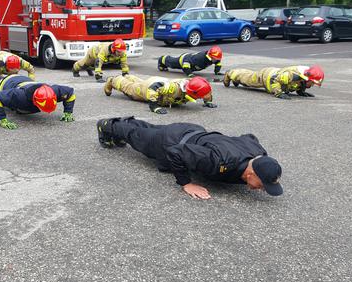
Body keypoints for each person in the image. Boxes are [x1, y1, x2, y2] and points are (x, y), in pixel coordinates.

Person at [95, 117, 283, 199]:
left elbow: (249, 137)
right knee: (135, 136)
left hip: (193, 131)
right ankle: (107, 125)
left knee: (148, 130)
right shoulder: (217, 161)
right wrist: (186, 183)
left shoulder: (258, 153)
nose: (262, 189)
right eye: (263, 184)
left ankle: (126, 121)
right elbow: (176, 152)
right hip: (171, 141)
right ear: (251, 172)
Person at [0, 75, 76, 129]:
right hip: (9, 82)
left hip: (26, 80)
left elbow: (70, 93)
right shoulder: (18, 96)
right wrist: (2, 119)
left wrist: (68, 112)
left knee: (23, 109)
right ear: (34, 100)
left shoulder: (54, 91)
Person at [103, 74, 217, 114]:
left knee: (139, 82)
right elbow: (154, 88)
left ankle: (129, 77)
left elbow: (205, 91)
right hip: (149, 88)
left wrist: (208, 101)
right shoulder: (174, 89)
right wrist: (154, 106)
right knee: (130, 89)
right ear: (193, 93)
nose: (205, 97)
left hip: (160, 82)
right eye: (203, 97)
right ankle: (113, 80)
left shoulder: (192, 86)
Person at [223, 65, 324, 99]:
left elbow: (301, 83)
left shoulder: (305, 76)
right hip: (266, 76)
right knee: (247, 79)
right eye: (313, 83)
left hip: (274, 73)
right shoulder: (292, 75)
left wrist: (301, 92)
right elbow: (274, 79)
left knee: (247, 78)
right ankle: (230, 73)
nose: (313, 85)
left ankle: (235, 78)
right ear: (308, 79)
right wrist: (278, 93)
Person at [158, 46, 223, 76]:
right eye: (215, 59)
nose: (216, 60)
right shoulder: (199, 58)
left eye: (217, 59)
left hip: (191, 63)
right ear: (210, 56)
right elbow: (186, 63)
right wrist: (189, 74)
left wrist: (217, 72)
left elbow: (218, 63)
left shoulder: (215, 59)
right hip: (184, 59)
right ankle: (161, 59)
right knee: (171, 63)